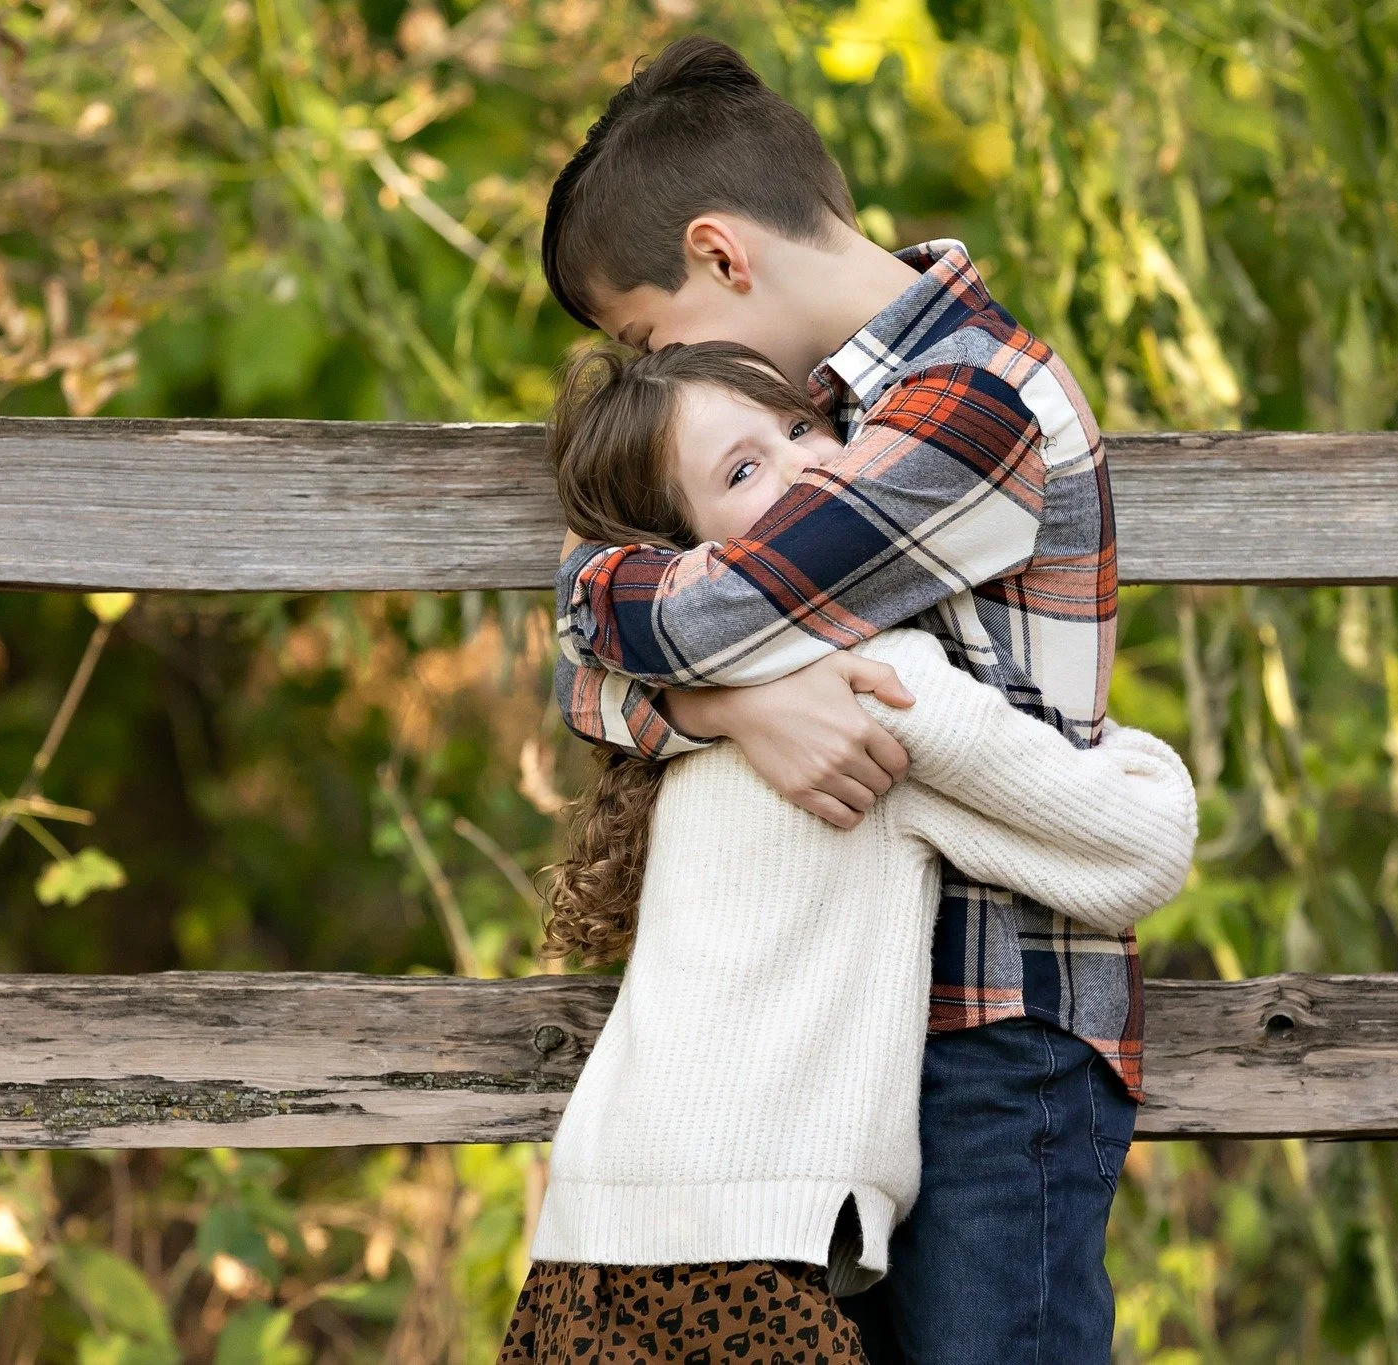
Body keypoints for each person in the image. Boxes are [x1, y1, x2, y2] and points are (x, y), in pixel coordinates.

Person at [540, 36, 1143, 1363]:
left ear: (718, 255)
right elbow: (599, 684)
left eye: (647, 338)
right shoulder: (824, 426)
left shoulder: (974, 405)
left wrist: (593, 587)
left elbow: (698, 617)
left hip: (1000, 1028)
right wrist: (726, 714)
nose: (663, 378)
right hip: (843, 1043)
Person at [499, 343, 1197, 1365]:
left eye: (801, 427)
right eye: (743, 471)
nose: (803, 465)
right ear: (683, 559)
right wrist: (1109, 747)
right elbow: (1141, 851)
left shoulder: (687, 709)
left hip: (592, 1234)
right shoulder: (875, 683)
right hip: (745, 1257)